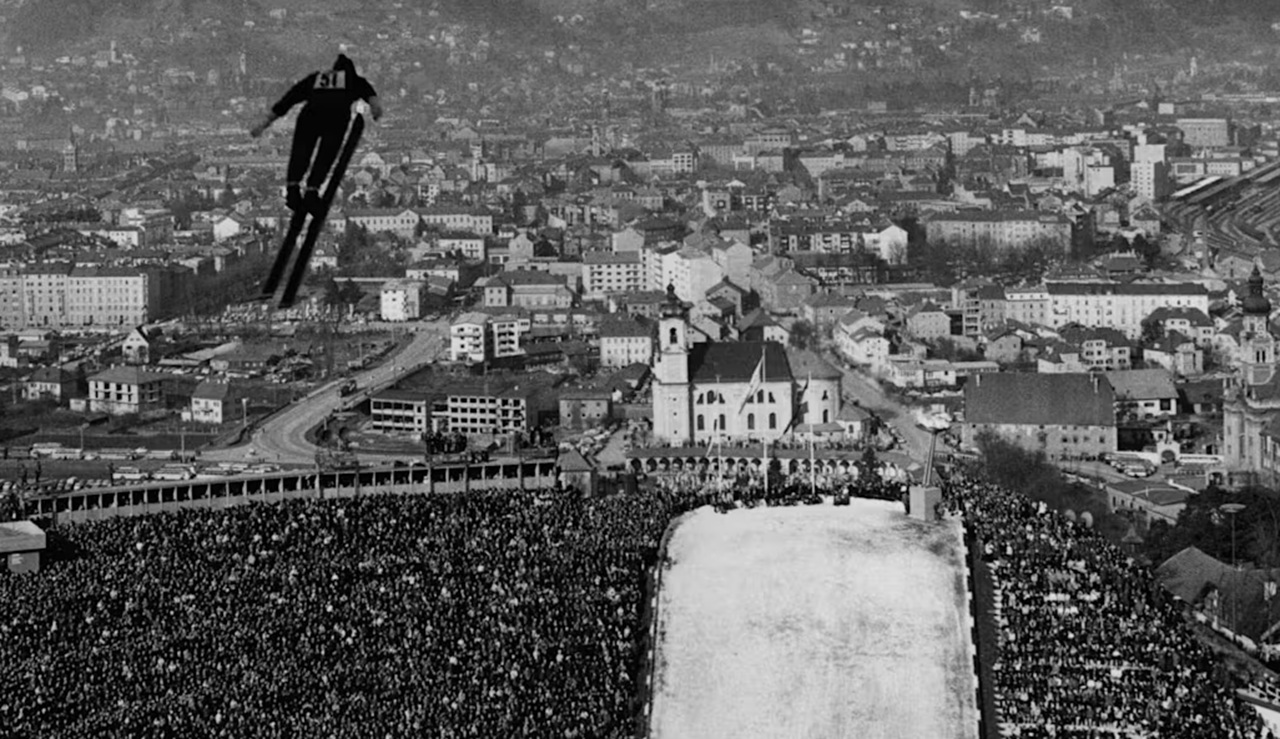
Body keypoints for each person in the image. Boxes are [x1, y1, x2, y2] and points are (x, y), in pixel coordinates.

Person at [249, 53, 382, 214]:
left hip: (309, 117)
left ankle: (293, 191)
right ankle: (312, 192)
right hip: (335, 119)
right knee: (325, 156)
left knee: (301, 153)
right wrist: (375, 112)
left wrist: (265, 123)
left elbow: (288, 100)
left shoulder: (317, 79)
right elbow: (372, 99)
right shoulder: (353, 80)